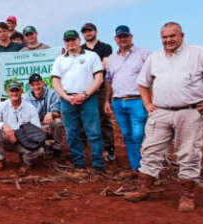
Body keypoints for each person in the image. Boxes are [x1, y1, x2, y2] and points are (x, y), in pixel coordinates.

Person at [124, 22, 203, 212]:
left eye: (172, 36)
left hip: (189, 112)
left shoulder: (199, 53)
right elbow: (143, 83)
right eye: (164, 37)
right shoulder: (155, 57)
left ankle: (187, 195)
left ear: (182, 35)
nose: (168, 40)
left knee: (188, 153)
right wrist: (147, 104)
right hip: (161, 111)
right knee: (150, 150)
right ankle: (144, 188)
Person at [51, 30, 105, 174]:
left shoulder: (91, 56)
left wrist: (86, 94)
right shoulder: (60, 59)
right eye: (67, 41)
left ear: (78, 40)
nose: (71, 43)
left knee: (93, 132)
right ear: (64, 42)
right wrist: (66, 96)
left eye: (73, 40)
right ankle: (78, 163)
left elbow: (99, 77)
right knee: (72, 133)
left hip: (88, 99)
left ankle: (98, 164)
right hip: (67, 100)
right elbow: (55, 80)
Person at [102, 25, 151, 173]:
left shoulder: (144, 54)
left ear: (131, 37)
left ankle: (146, 167)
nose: (123, 39)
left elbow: (152, 77)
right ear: (116, 39)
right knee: (127, 135)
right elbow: (108, 81)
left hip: (137, 100)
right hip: (118, 102)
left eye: (125, 36)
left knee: (138, 135)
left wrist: (151, 100)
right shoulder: (111, 59)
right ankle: (136, 167)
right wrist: (106, 101)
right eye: (120, 37)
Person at [0, 81, 43, 176]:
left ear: (22, 91)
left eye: (17, 90)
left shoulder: (30, 108)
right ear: (8, 92)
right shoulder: (2, 105)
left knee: (40, 150)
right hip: (6, 138)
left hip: (23, 141)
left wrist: (22, 135)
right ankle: (0, 159)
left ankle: (26, 162)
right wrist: (5, 126)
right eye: (12, 91)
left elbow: (37, 128)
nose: (15, 93)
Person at [81, 22, 116, 161]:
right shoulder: (81, 49)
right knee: (83, 119)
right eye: (85, 31)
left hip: (101, 88)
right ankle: (84, 150)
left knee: (103, 118)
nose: (88, 33)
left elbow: (105, 65)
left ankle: (108, 148)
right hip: (84, 88)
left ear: (95, 31)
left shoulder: (105, 47)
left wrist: (88, 69)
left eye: (90, 30)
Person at [23, 73, 64, 157]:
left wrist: (51, 113)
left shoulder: (52, 93)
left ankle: (57, 149)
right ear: (30, 86)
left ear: (43, 83)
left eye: (38, 84)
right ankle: (36, 148)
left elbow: (57, 112)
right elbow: (25, 118)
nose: (36, 87)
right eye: (33, 85)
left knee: (58, 122)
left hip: (49, 124)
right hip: (35, 126)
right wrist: (38, 127)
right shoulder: (25, 98)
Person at [0, 22, 24, 103]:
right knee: (2, 106)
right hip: (1, 83)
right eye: (0, 32)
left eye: (4, 31)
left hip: (17, 80)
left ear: (8, 32)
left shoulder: (18, 47)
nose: (2, 34)